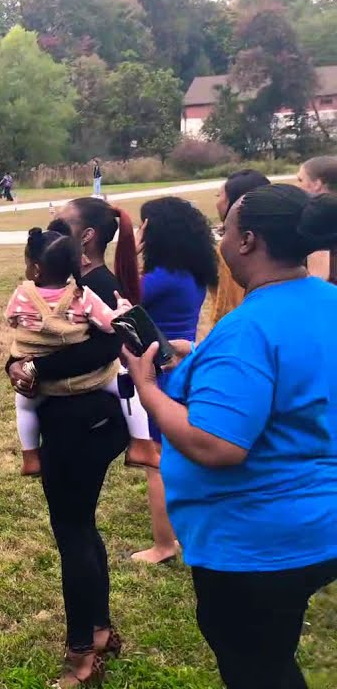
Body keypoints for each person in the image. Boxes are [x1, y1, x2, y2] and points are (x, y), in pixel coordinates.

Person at [122, 184, 337, 689]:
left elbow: (216, 445)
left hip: (257, 540)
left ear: (248, 242)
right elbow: (287, 390)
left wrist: (148, 388)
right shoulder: (325, 301)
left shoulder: (251, 327)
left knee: (255, 667)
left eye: (227, 229)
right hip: (316, 526)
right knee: (272, 654)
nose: (221, 239)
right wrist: (188, 362)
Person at [7, 197, 144, 687]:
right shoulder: (69, 285)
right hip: (77, 423)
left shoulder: (95, 286)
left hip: (79, 427)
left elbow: (108, 346)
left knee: (73, 535)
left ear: (85, 237)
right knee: (81, 530)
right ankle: (99, 631)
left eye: (61, 222)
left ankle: (81, 653)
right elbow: (30, 343)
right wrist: (17, 366)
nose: (50, 227)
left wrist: (34, 369)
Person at [5, 228, 146, 477]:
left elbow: (11, 319)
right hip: (90, 381)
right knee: (127, 388)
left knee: (24, 407)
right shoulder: (84, 296)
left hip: (39, 384)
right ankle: (141, 444)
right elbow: (108, 325)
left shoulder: (21, 294)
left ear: (36, 269)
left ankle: (30, 457)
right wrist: (122, 309)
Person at [129, 197, 218, 565]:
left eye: (144, 224)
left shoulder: (162, 278)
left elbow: (118, 296)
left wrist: (131, 248)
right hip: (182, 368)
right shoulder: (191, 272)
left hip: (161, 373)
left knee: (157, 462)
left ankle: (165, 545)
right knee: (179, 456)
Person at [210, 170, 270, 324]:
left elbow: (225, 304)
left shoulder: (231, 247)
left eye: (219, 196)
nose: (217, 202)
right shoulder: (275, 237)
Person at [297, 156, 337, 283]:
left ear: (317, 184)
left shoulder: (317, 220)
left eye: (300, 179)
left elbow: (319, 278)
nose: (297, 185)